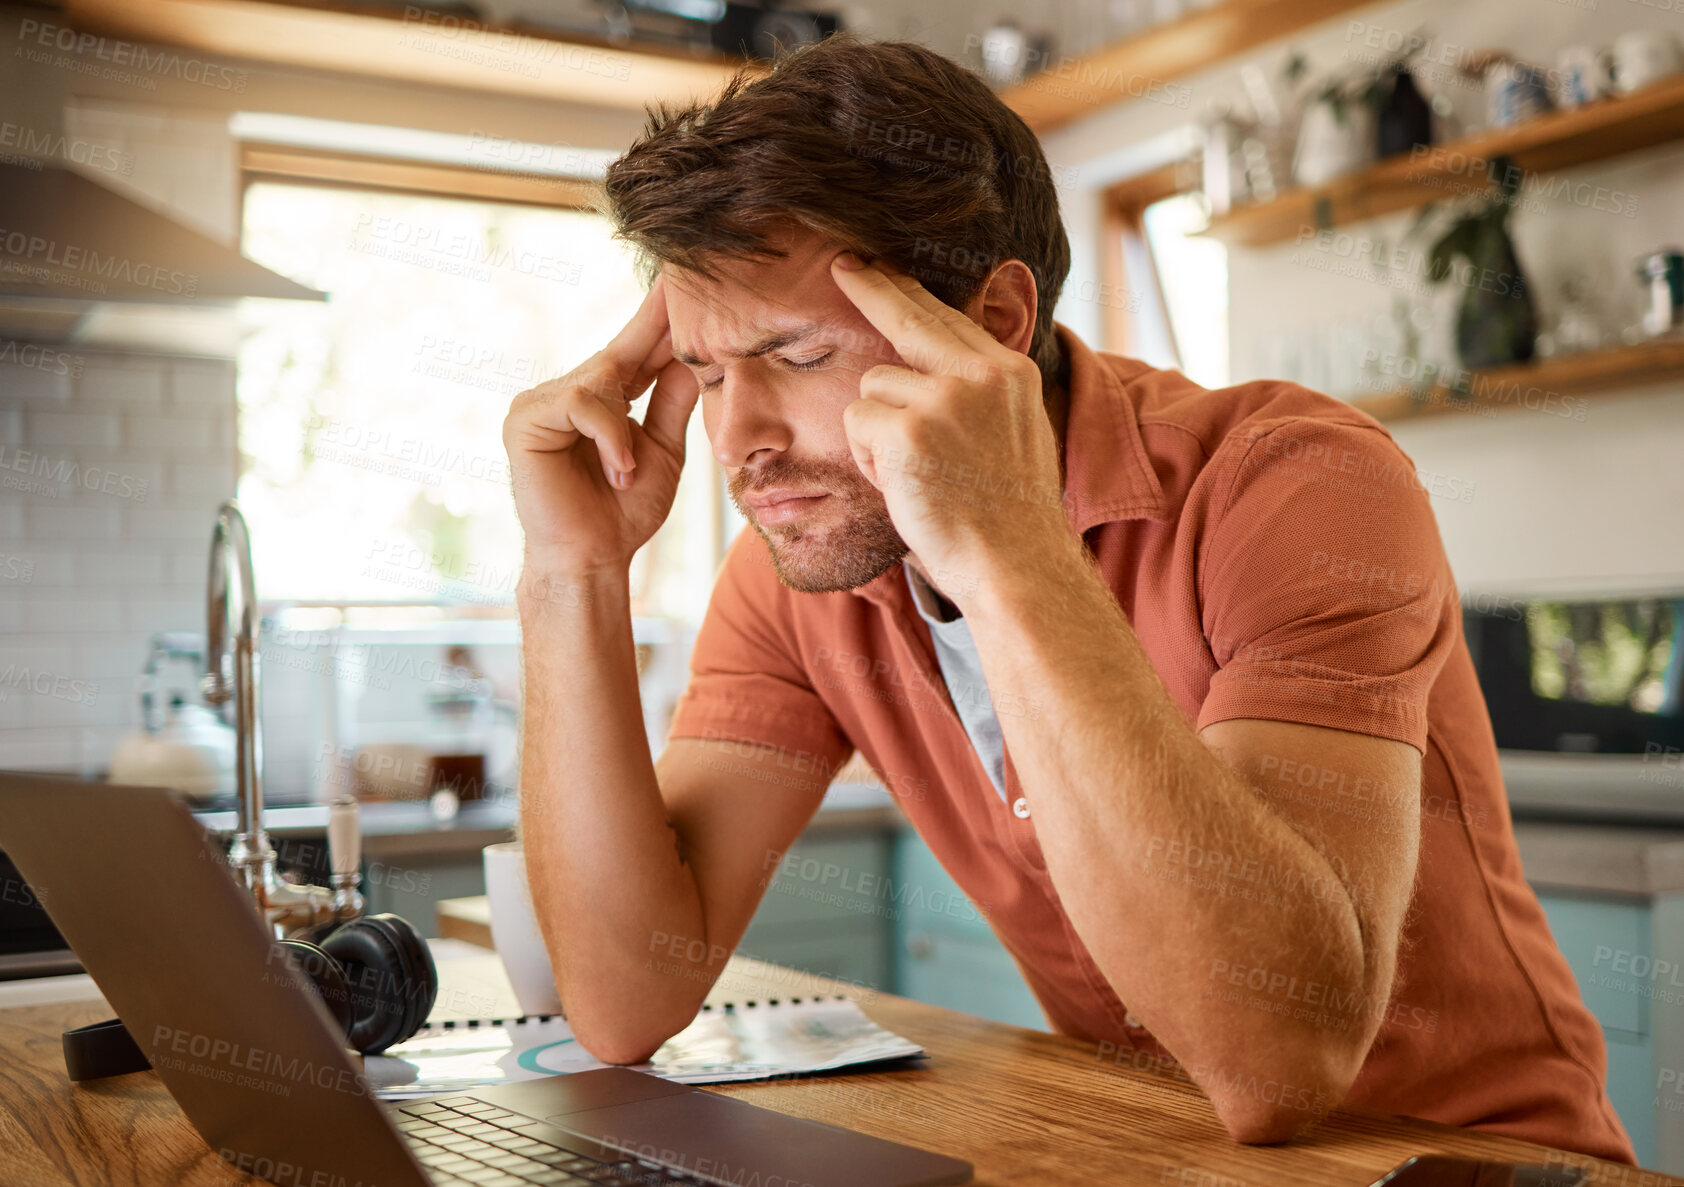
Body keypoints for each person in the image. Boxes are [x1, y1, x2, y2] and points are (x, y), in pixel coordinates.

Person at [501, 34, 1634, 1159]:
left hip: (1466, 1161)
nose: (738, 441)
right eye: (704, 372)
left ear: (991, 323)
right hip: (1161, 1154)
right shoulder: (806, 566)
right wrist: (572, 573)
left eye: (794, 357)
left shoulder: (1297, 483)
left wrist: (1007, 545)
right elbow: (624, 997)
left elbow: (1277, 1063)